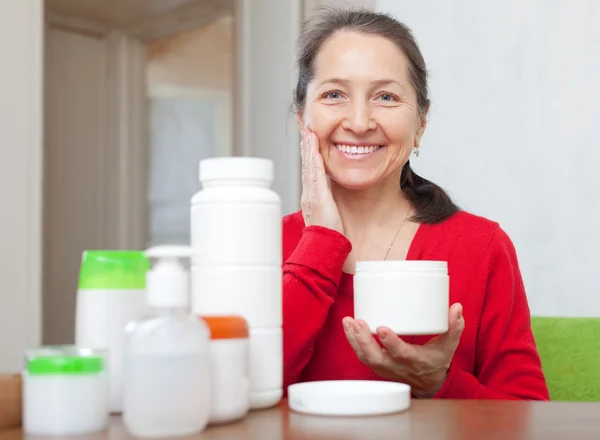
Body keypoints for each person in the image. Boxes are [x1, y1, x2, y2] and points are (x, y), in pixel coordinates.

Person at [282, 6, 549, 400]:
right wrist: (321, 241)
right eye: (334, 94)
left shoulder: (482, 247)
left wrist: (438, 384)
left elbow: (529, 418)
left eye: (386, 96)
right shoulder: (259, 245)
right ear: (302, 115)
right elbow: (237, 389)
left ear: (421, 122)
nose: (358, 122)